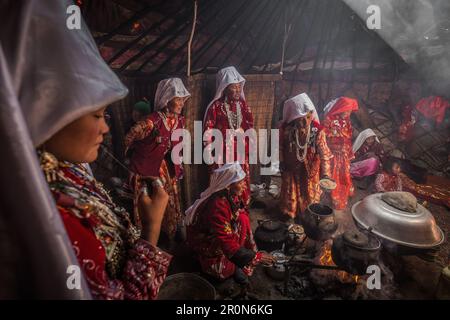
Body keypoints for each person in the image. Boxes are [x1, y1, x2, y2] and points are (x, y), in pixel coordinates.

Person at [22, 1, 171, 299]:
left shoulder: (67, 169)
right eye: (96, 115)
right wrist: (151, 231)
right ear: (50, 114)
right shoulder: (53, 223)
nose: (104, 128)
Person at [185, 163, 274, 283]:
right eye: (240, 182)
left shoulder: (231, 195)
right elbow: (224, 239)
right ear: (228, 186)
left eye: (243, 181)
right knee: (223, 271)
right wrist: (255, 257)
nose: (244, 186)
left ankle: (239, 258)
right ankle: (222, 263)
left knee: (243, 218)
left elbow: (237, 212)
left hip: (220, 231)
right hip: (205, 240)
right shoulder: (217, 206)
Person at [124, 78, 190, 240]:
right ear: (167, 99)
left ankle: (167, 234)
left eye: (183, 99)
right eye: (178, 99)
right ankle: (146, 238)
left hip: (162, 166)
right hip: (143, 168)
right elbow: (130, 136)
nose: (181, 103)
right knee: (145, 203)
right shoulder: (152, 121)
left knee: (167, 198)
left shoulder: (179, 121)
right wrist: (130, 153)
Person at [203, 67, 254, 207]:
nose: (238, 90)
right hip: (222, 150)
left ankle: (241, 206)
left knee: (240, 177)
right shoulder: (215, 107)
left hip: (240, 149)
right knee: (225, 178)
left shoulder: (243, 105)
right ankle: (224, 208)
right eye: (233, 87)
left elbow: (249, 125)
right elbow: (208, 130)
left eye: (239, 87)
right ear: (224, 88)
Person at [279, 93, 333, 220]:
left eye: (308, 117)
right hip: (291, 168)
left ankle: (308, 215)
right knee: (290, 196)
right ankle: (290, 215)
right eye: (300, 118)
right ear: (293, 118)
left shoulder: (318, 132)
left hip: (310, 171)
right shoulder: (287, 130)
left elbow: (324, 155)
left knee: (309, 197)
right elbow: (280, 147)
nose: (305, 121)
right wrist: (281, 161)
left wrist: (326, 175)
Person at [323, 97, 359, 210]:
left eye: (349, 111)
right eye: (347, 110)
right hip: (333, 153)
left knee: (344, 173)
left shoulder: (347, 121)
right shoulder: (328, 119)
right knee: (333, 173)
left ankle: (344, 192)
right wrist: (336, 135)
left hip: (343, 152)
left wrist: (347, 150)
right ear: (341, 109)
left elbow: (349, 135)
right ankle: (332, 196)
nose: (348, 113)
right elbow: (324, 135)